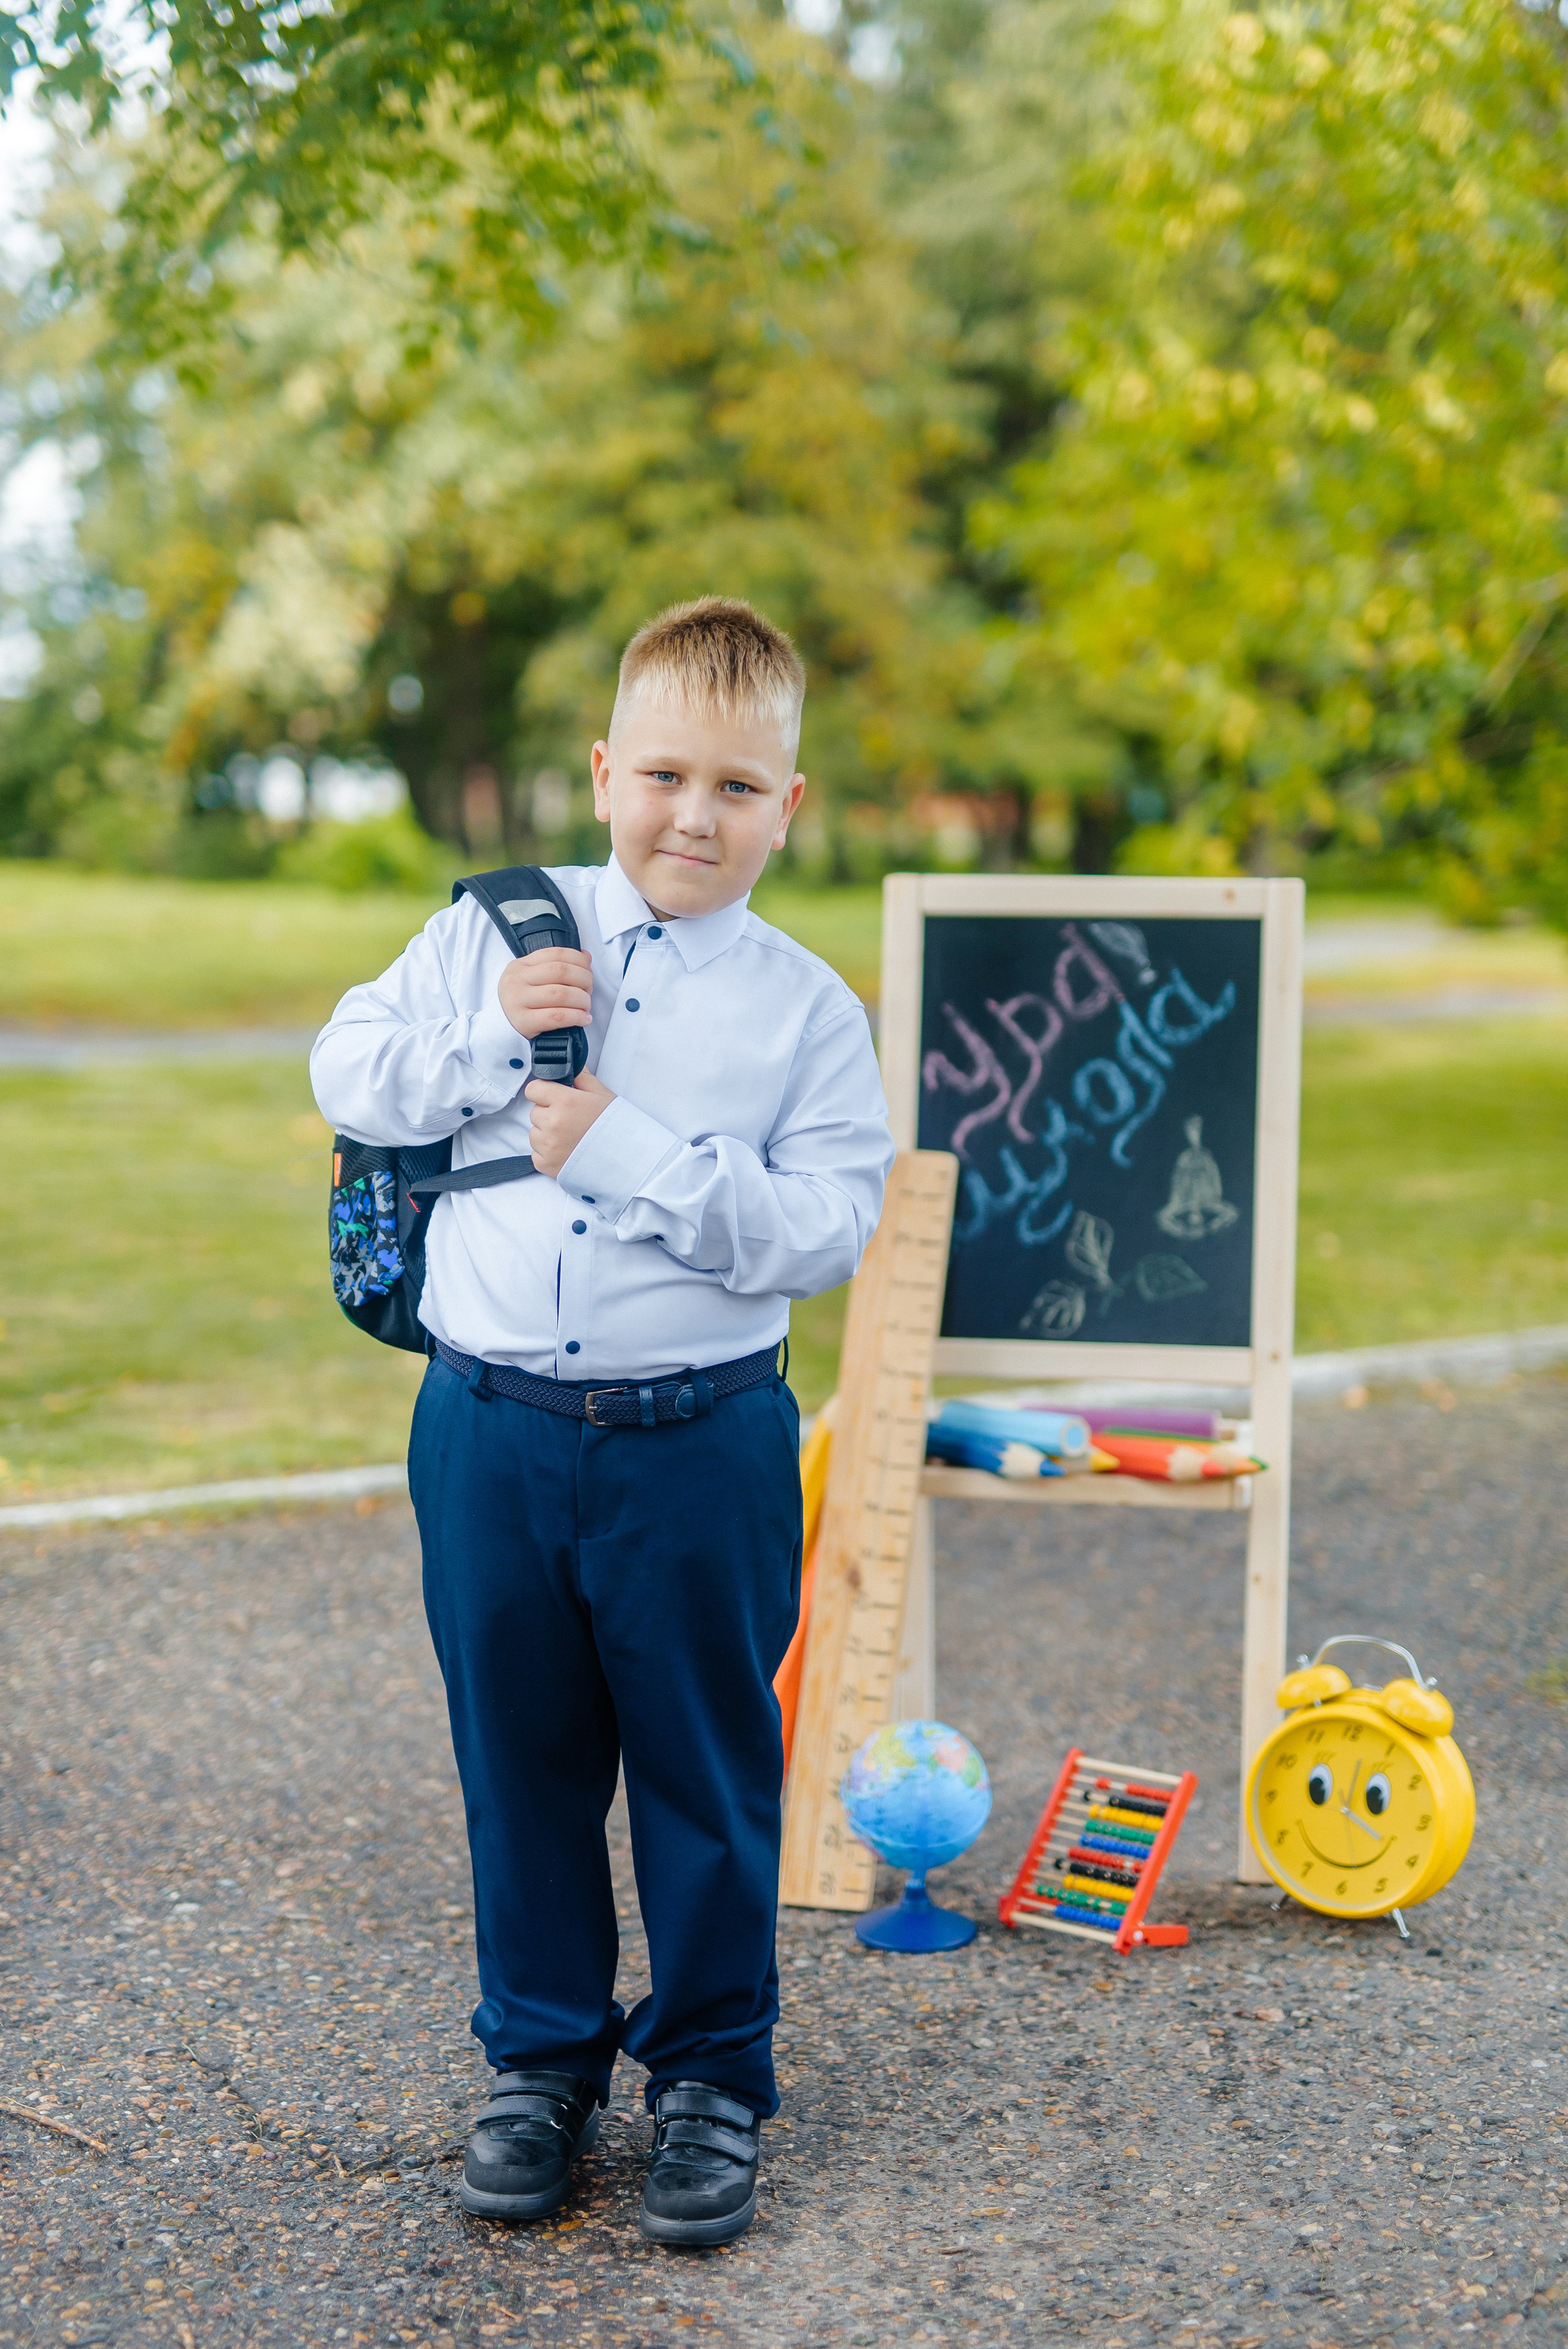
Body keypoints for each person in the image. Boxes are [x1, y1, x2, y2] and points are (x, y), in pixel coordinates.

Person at [311, 597, 893, 2246]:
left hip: (700, 1443)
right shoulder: (497, 930)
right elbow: (350, 1070)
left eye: (736, 787)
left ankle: (711, 2074)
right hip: (489, 1427)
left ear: (790, 805)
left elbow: (828, 1228)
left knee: (707, 1769)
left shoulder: (805, 1011)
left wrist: (634, 1154)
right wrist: (490, 1034)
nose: (693, 816)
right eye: (663, 775)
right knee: (522, 1762)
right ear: (602, 773)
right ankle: (542, 2061)